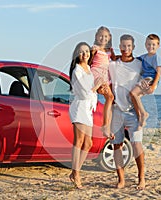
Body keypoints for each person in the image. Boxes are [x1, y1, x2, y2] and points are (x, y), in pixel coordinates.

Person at [107, 34, 146, 190]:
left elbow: (151, 79)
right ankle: (121, 179)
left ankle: (141, 178)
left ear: (133, 47)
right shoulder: (113, 64)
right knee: (117, 145)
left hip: (133, 112)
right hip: (116, 110)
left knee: (137, 145)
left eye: (129, 46)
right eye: (123, 46)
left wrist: (142, 93)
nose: (126, 49)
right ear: (119, 46)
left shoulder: (139, 64)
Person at [68, 42, 103, 189]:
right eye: (81, 52)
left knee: (88, 144)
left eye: (86, 52)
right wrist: (96, 86)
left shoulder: (88, 68)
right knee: (79, 142)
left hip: (88, 110)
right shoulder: (77, 70)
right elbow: (84, 91)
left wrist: (96, 50)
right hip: (80, 108)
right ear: (77, 55)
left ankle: (75, 172)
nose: (85, 54)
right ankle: (76, 174)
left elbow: (97, 53)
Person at [130, 34, 161, 130]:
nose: (150, 47)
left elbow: (159, 72)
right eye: (148, 44)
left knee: (133, 93)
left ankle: (144, 113)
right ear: (145, 45)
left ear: (158, 46)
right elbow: (132, 59)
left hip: (150, 79)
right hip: (144, 79)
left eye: (153, 45)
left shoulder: (156, 58)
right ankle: (140, 119)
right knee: (134, 98)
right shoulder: (143, 57)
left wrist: (153, 86)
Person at [89, 26, 116, 139]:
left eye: (105, 36)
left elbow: (114, 59)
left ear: (109, 37)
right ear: (96, 36)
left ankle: (107, 126)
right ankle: (105, 126)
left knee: (111, 99)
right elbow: (88, 62)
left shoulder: (110, 50)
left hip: (105, 75)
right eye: (100, 36)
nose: (103, 38)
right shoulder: (95, 48)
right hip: (97, 74)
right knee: (109, 97)